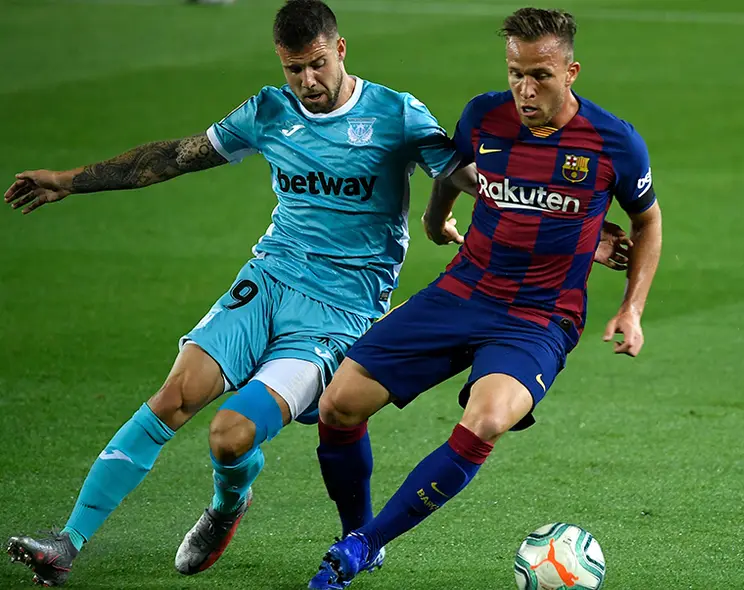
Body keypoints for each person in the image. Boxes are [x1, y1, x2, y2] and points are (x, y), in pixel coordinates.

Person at [3, 0, 463, 585]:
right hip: (268, 280)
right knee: (174, 395)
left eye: (317, 64)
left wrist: (454, 218)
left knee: (230, 434)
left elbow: (458, 172)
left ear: (340, 49)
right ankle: (66, 542)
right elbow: (172, 157)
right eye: (293, 69)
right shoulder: (269, 112)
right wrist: (69, 181)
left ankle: (227, 506)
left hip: (339, 312)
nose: (307, 82)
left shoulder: (395, 113)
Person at [306, 7, 662, 589]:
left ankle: (362, 546)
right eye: (515, 73)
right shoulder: (483, 116)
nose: (525, 89)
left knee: (489, 417)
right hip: (463, 289)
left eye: (540, 76)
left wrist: (632, 307)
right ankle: (358, 535)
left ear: (571, 72)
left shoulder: (613, 142)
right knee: (338, 404)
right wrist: (434, 217)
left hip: (540, 316)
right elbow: (452, 170)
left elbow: (648, 223)